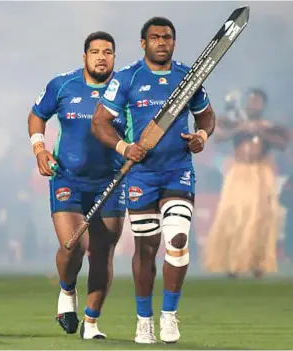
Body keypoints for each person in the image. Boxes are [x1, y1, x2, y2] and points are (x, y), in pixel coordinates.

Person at [91, 17, 216, 344]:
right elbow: (100, 123)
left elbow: (206, 115)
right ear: (143, 43)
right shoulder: (127, 78)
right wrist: (123, 146)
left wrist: (202, 135)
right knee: (146, 249)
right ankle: (143, 319)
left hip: (178, 171)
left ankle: (169, 316)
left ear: (174, 42)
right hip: (141, 176)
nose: (162, 42)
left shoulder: (188, 78)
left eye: (168, 38)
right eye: (156, 38)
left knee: (177, 239)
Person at [28, 31, 124, 340]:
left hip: (110, 181)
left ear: (113, 57)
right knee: (74, 246)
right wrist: (40, 149)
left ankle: (92, 324)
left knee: (102, 252)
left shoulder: (125, 89)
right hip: (67, 178)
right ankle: (67, 290)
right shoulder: (63, 85)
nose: (101, 57)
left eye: (107, 52)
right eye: (95, 51)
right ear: (84, 57)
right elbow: (37, 115)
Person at [204, 89, 290, 278]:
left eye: (257, 102)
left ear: (263, 105)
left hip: (262, 173)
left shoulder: (271, 126)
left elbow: (283, 143)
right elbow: (217, 137)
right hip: (238, 172)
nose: (253, 105)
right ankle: (232, 264)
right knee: (233, 215)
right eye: (250, 101)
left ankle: (258, 264)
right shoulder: (234, 123)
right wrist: (240, 129)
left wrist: (260, 131)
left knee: (260, 218)